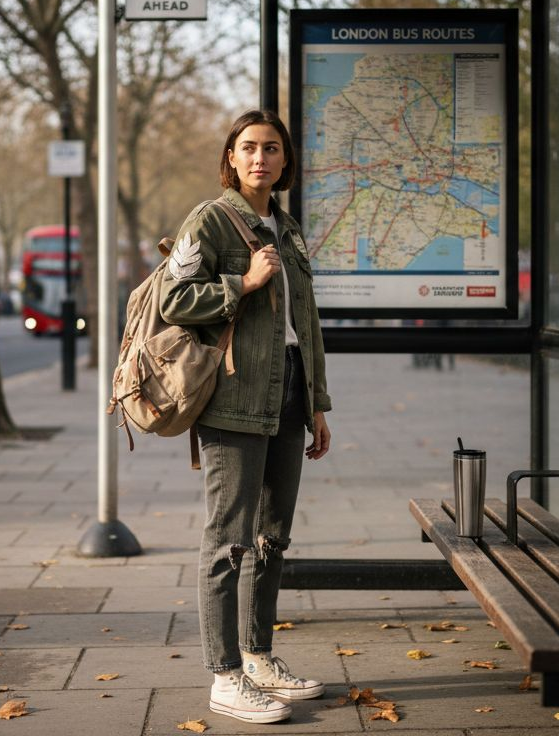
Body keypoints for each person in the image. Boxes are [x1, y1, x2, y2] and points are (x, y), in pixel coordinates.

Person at [159, 109, 332, 724]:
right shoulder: (210, 220)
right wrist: (242, 281)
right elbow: (173, 299)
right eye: (249, 148)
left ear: (286, 162)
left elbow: (305, 324)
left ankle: (258, 657)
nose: (261, 158)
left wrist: (317, 403)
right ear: (231, 158)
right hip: (233, 399)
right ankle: (224, 676)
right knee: (228, 539)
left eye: (273, 149)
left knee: (272, 536)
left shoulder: (288, 228)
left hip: (288, 393)